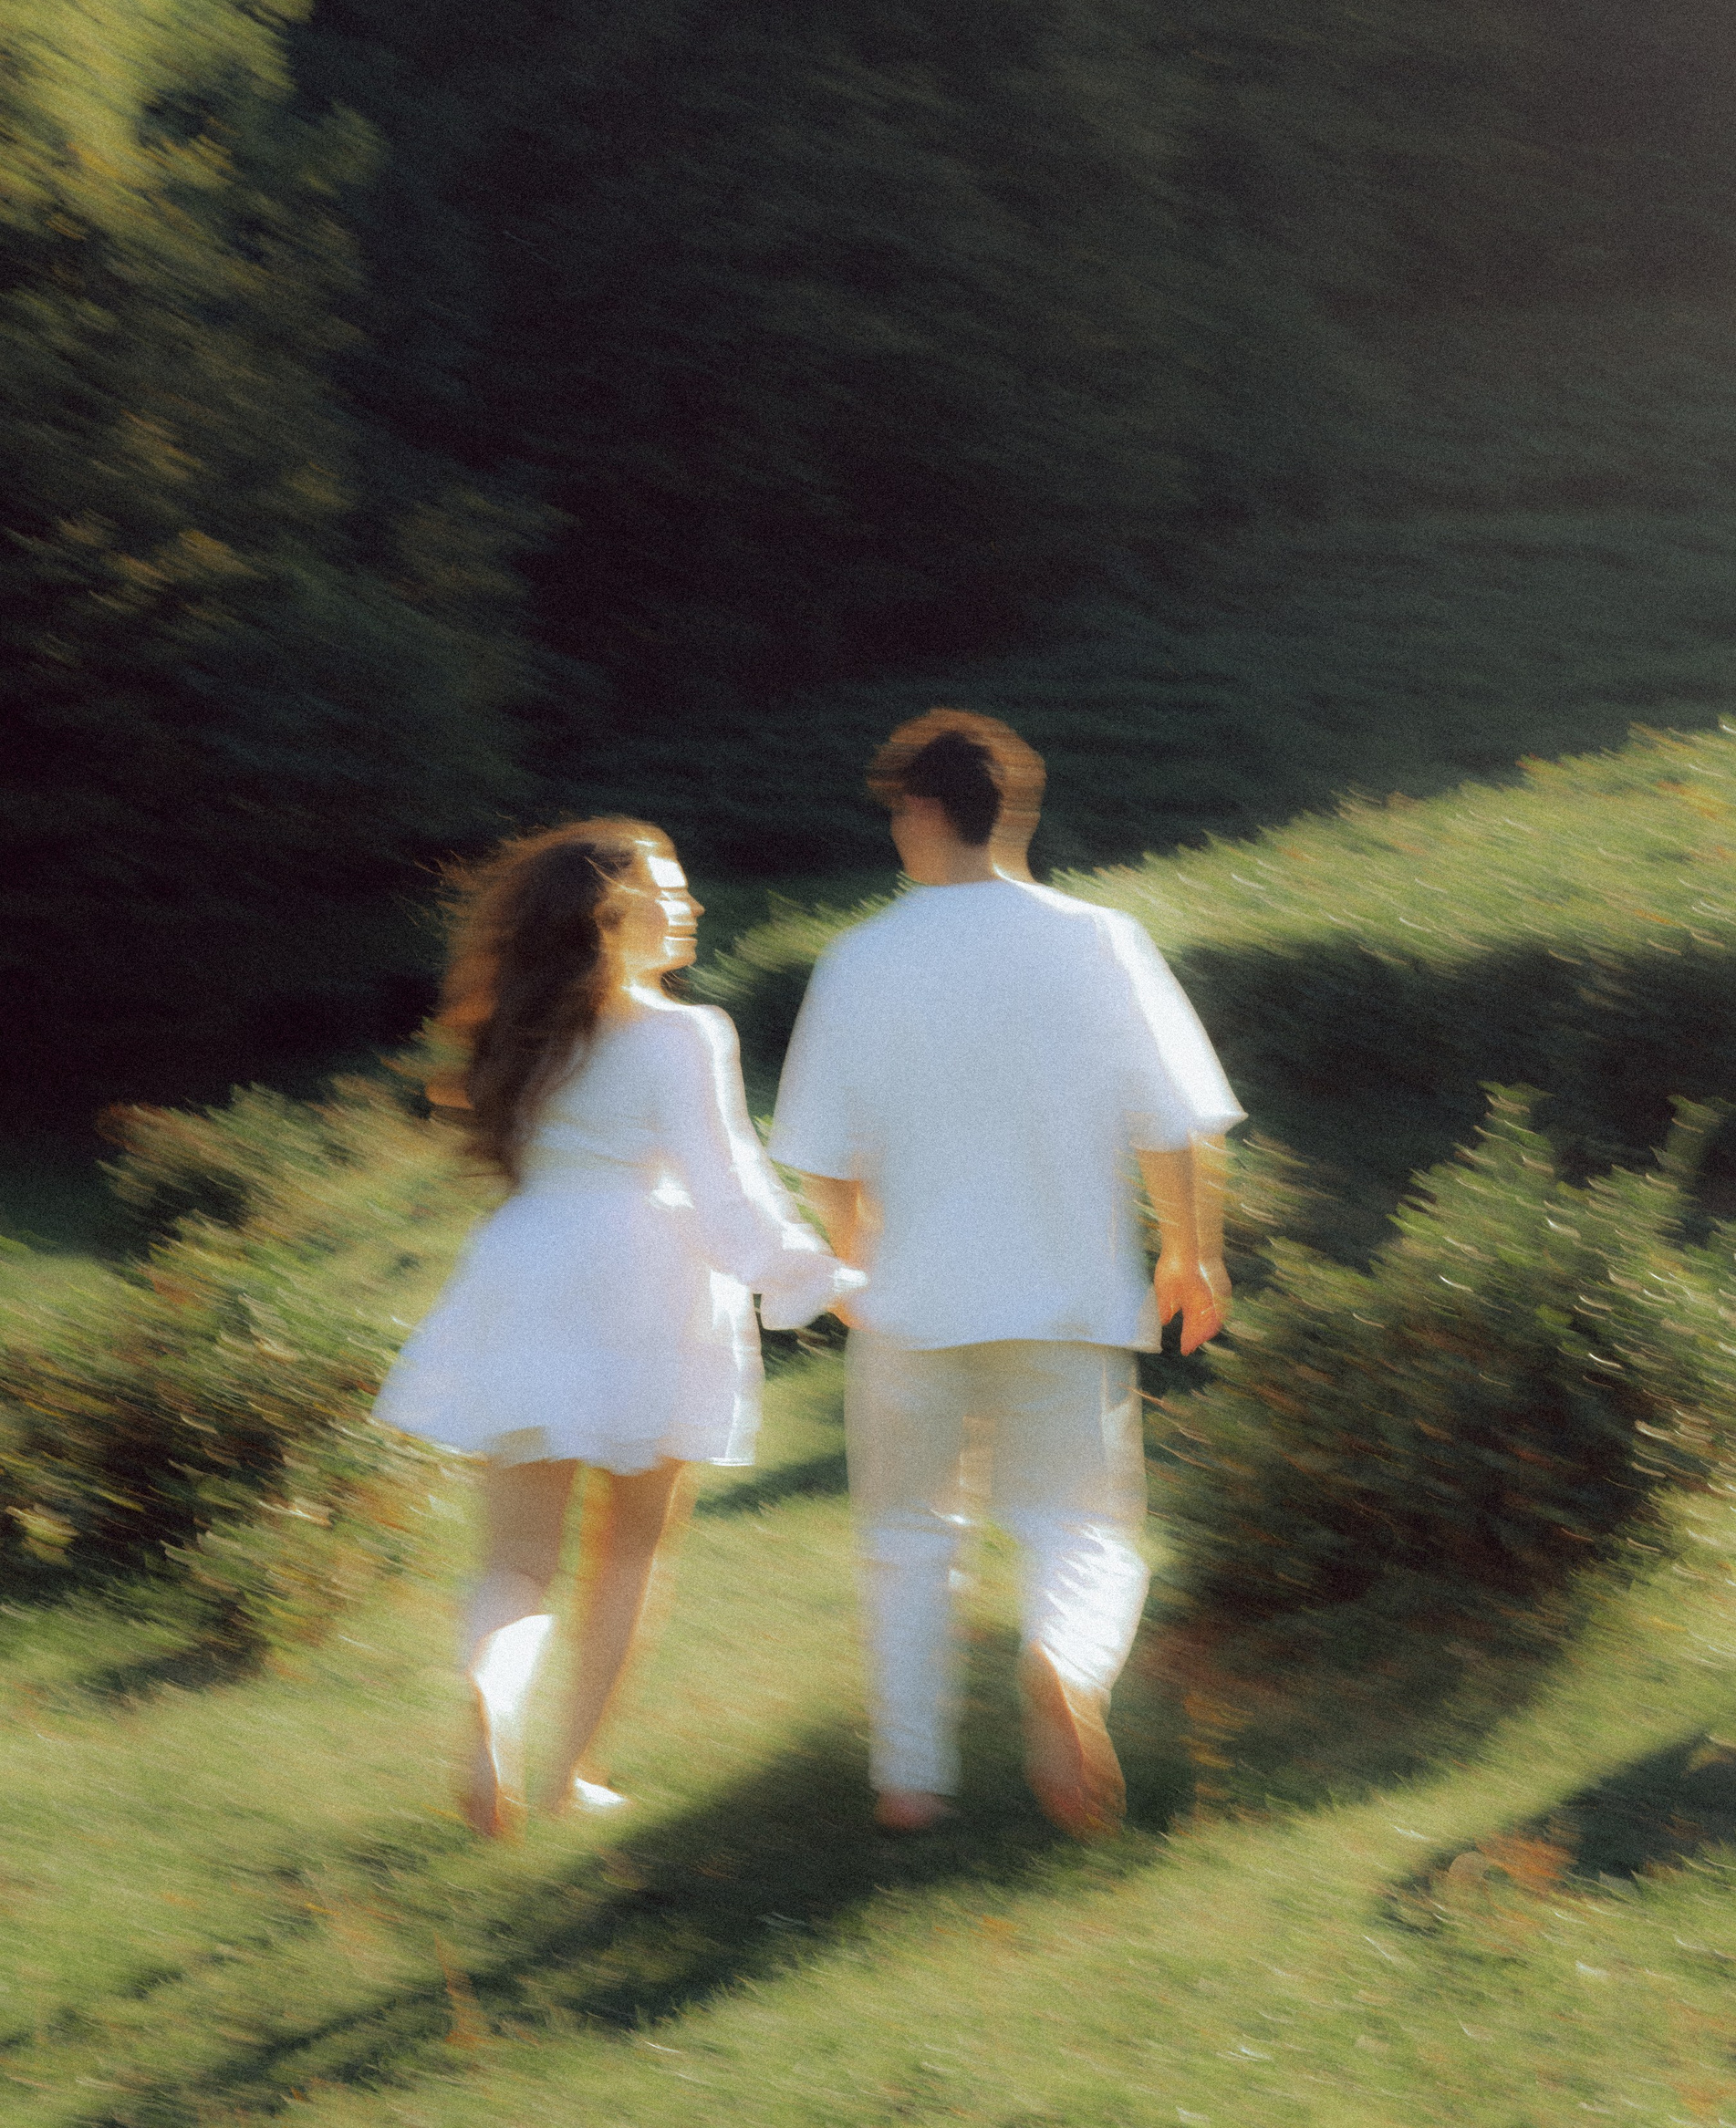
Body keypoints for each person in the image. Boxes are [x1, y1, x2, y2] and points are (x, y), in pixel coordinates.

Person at [769, 711, 1242, 1839]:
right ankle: (1063, 1665)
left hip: (910, 1300)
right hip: (1067, 1292)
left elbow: (822, 1151)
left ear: (925, 812)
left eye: (898, 812)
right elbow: (1173, 1120)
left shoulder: (861, 957)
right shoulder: (1101, 939)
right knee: (1082, 1529)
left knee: (907, 1541)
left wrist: (852, 1249)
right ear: (1011, 812)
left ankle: (910, 1784)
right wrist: (1192, 1249)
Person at [374, 817, 861, 1837]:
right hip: (646, 1278)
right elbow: (730, 1192)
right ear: (611, 914)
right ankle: (571, 1777)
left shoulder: (515, 1029)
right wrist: (823, 1279)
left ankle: (493, 1699)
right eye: (668, 892)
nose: (691, 906)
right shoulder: (684, 1032)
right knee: (631, 1550)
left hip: (526, 1261)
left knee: (516, 1562)